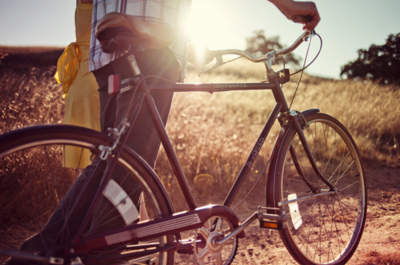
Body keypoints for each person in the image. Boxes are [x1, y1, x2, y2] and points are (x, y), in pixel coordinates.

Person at [6, 1, 320, 264]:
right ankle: (35, 257)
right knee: (125, 169)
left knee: (114, 165)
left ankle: (72, 253)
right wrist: (293, 6)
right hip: (151, 49)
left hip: (105, 53)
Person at [55, 0, 101, 170]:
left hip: (79, 86)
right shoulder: (106, 5)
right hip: (96, 86)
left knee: (85, 170)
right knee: (104, 165)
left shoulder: (82, 4)